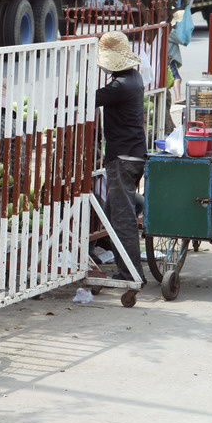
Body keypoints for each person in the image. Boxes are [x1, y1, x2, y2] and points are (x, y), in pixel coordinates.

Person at [94, 31, 147, 283]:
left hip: (122, 158)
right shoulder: (133, 78)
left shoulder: (120, 86)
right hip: (134, 155)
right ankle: (117, 263)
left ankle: (130, 273)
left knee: (122, 219)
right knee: (110, 212)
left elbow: (91, 99)